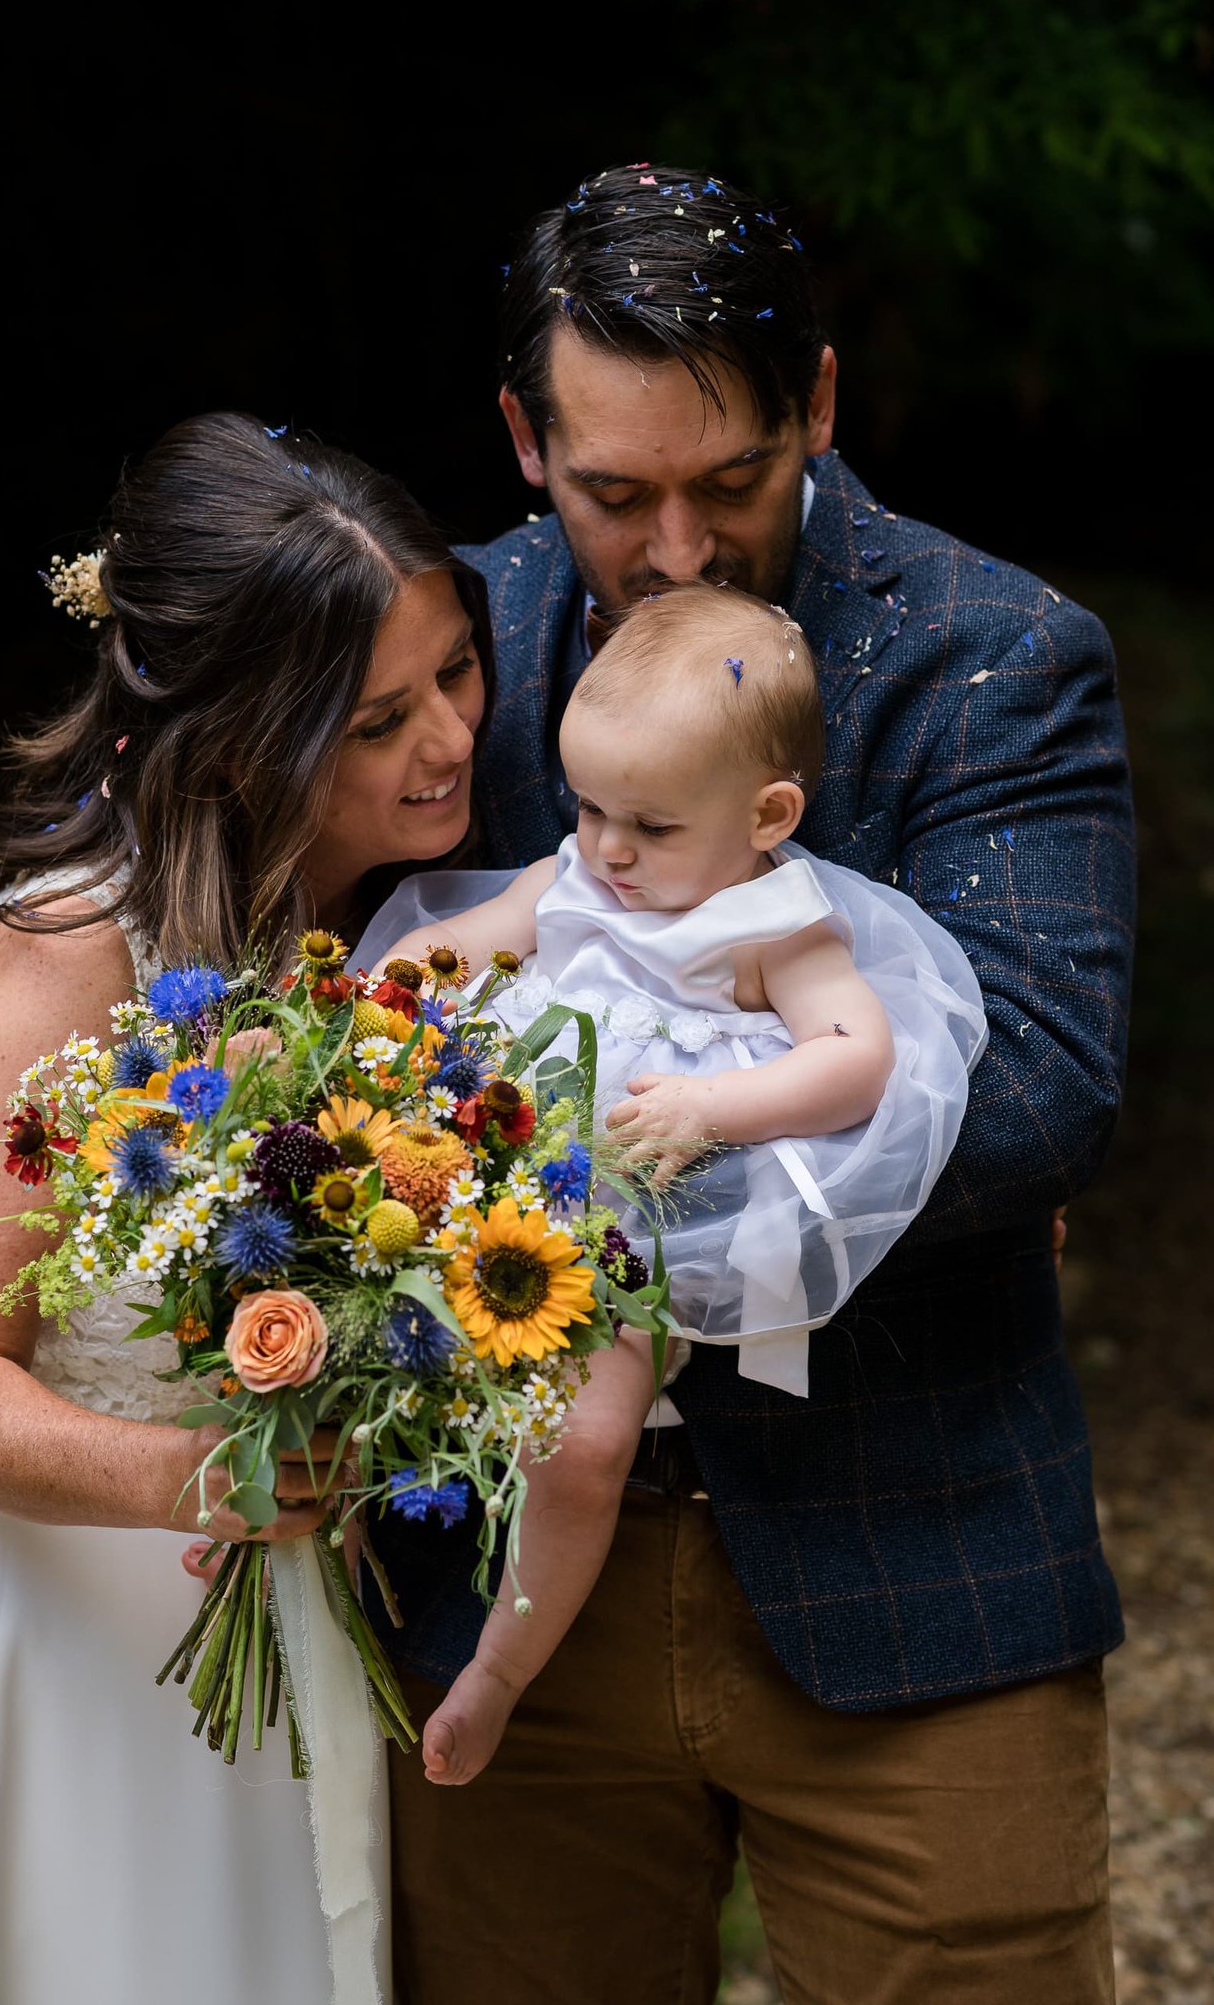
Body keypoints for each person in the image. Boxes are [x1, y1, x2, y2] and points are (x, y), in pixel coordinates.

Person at [0, 161, 1135, 2003]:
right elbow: (210, 931)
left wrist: (571, 1181)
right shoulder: (437, 638)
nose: (675, 549)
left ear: (822, 408)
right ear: (525, 440)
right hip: (470, 1590)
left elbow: (1033, 1093)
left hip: (908, 1552)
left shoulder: (991, 655)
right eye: (617, 492)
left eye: (729, 480)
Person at [0, 408, 495, 2005]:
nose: (447, 742)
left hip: (250, 1620)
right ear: (237, 746)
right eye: (374, 722)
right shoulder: (69, 953)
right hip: (39, 1626)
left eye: (455, 676)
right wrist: (218, 1473)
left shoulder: (357, 933)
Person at [368, 583, 986, 1787]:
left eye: (648, 824)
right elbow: (457, 948)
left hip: (639, 1234)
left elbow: (859, 1058)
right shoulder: (575, 880)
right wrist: (372, 1005)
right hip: (488, 1187)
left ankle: (499, 1669)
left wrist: (712, 1107)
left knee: (582, 1442)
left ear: (768, 814)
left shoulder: (774, 923)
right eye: (589, 805)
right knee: (379, 1355)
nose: (607, 847)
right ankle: (292, 1538)